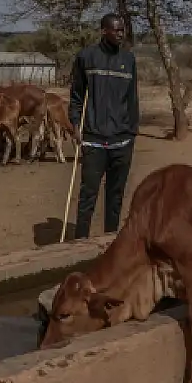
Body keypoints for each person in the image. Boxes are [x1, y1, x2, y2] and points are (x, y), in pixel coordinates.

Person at [69, 13, 139, 239]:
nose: (121, 34)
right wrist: (75, 123)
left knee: (115, 195)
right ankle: (80, 244)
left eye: (122, 30)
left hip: (122, 140)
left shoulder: (128, 60)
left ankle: (110, 241)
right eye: (116, 30)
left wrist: (132, 131)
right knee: (88, 195)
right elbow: (77, 95)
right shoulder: (86, 57)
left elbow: (132, 99)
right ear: (103, 31)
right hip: (93, 139)